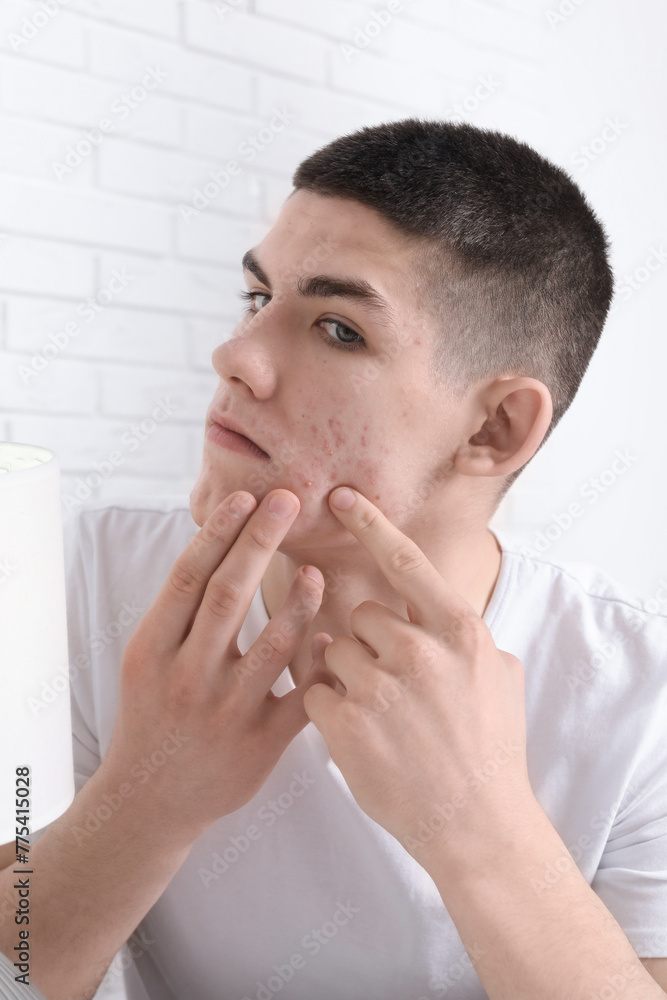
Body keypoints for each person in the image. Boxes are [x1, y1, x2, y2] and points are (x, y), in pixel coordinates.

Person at [0, 118, 665, 1000]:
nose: (235, 356)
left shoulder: (639, 691)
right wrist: (147, 801)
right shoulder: (84, 578)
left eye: (338, 329)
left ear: (494, 428)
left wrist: (479, 829)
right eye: (256, 297)